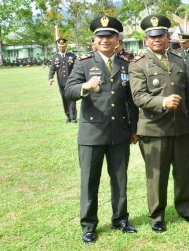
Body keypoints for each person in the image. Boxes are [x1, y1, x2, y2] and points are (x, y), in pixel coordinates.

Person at [64, 16, 137, 244]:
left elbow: (131, 101)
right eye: (101, 36)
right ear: (94, 40)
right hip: (92, 133)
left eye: (110, 36)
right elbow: (69, 90)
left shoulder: (127, 63)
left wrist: (133, 129)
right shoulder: (84, 63)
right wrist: (85, 86)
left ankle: (121, 219)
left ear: (117, 39)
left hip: (119, 132)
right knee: (89, 181)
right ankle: (88, 225)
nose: (105, 40)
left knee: (120, 179)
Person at [129, 14, 189, 233]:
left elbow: (188, 95)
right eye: (153, 37)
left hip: (180, 127)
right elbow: (138, 96)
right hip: (154, 129)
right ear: (146, 39)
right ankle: (157, 216)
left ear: (167, 36)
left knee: (184, 171)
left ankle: (187, 209)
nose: (157, 40)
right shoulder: (138, 64)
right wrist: (162, 101)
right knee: (156, 175)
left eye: (161, 35)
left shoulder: (178, 59)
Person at [48, 38, 78, 122]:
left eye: (63, 46)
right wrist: (50, 78)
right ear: (58, 46)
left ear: (66, 46)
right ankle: (68, 117)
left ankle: (73, 117)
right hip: (61, 82)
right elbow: (52, 69)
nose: (62, 48)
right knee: (64, 99)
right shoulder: (55, 57)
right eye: (60, 46)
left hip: (71, 81)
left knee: (72, 98)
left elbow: (77, 68)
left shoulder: (72, 56)